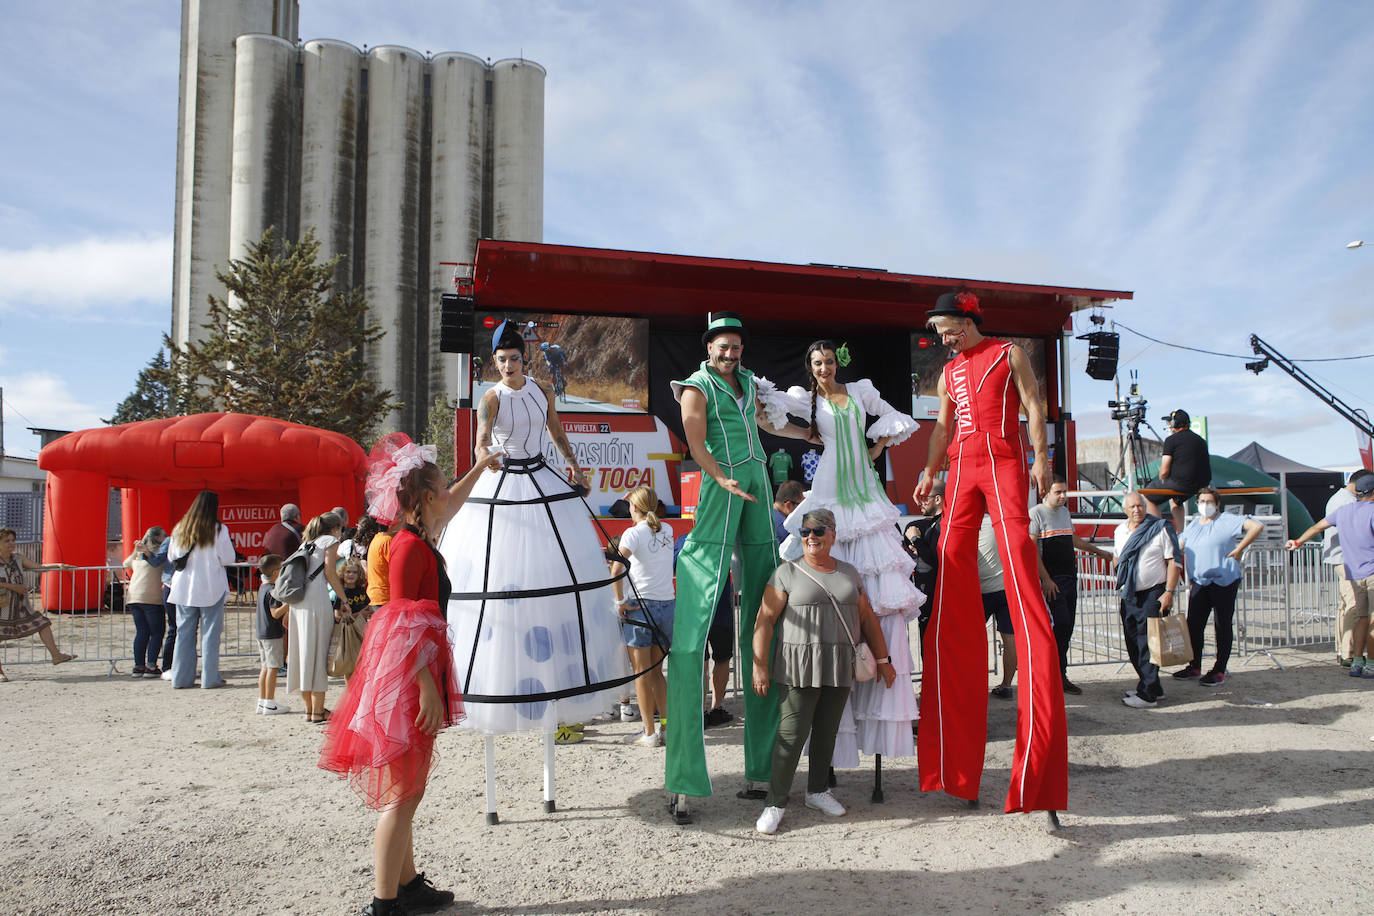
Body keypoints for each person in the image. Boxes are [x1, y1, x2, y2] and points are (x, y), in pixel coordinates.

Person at [320, 434, 496, 916]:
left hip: (416, 675)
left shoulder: (420, 539)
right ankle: (385, 903)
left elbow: (455, 502)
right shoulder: (407, 548)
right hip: (409, 681)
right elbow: (400, 622)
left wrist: (480, 466)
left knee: (410, 789)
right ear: (423, 498)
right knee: (402, 796)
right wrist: (425, 688)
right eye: (442, 484)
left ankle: (408, 884)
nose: (448, 490)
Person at [912, 290, 1068, 816]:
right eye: (937, 329)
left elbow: (1033, 405)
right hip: (962, 466)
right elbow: (941, 426)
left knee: (1018, 554)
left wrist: (1043, 457)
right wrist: (931, 471)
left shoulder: (1009, 353)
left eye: (948, 326)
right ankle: (955, 767)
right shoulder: (949, 373)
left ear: (968, 319)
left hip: (1002, 459)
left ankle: (1030, 626)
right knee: (952, 563)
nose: (942, 336)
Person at [442, 321, 633, 735]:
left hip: (541, 475)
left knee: (556, 566)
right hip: (504, 478)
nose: (508, 365)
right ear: (493, 362)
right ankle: (501, 672)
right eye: (501, 360)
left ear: (523, 359)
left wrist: (576, 469)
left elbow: (557, 432)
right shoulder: (490, 398)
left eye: (513, 358)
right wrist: (484, 456)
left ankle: (559, 680)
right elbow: (480, 439)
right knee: (502, 569)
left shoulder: (541, 391)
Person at [667, 310, 813, 816]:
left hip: (756, 484)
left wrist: (822, 439)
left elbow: (773, 423)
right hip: (721, 484)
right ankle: (683, 774)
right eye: (722, 347)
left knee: (764, 611)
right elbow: (693, 438)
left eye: (736, 347)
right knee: (698, 612)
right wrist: (718, 477)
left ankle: (762, 769)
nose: (730, 355)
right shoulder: (696, 385)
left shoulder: (750, 382)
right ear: (709, 347)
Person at [773, 339, 923, 764]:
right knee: (828, 567)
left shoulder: (860, 390)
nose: (824, 367)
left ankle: (876, 672)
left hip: (864, 487)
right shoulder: (807, 399)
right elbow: (772, 414)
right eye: (817, 362)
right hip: (832, 483)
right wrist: (798, 429)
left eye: (829, 361)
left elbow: (893, 416)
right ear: (810, 366)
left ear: (838, 363)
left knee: (878, 582)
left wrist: (878, 439)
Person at [750, 509, 897, 835]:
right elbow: (765, 620)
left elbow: (868, 618)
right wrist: (759, 665)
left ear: (832, 534)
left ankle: (817, 791)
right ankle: (775, 802)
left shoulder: (849, 573)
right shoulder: (786, 572)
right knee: (791, 736)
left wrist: (884, 661)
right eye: (805, 532)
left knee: (827, 732)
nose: (811, 537)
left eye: (818, 531)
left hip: (838, 666)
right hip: (796, 667)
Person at [1030, 476, 1114, 695]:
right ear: (1045, 493)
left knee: (1066, 628)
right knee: (1059, 626)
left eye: (1065, 492)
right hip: (1052, 581)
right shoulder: (1036, 514)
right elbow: (1031, 549)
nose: (1063, 496)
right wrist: (1046, 579)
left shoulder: (1065, 513)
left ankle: (1060, 674)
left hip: (1070, 577)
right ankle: (1050, 676)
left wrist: (1099, 552)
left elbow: (1072, 539)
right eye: (1058, 492)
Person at [1172, 487, 1264, 686]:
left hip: (1224, 580)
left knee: (1222, 625)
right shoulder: (1194, 524)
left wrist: (1240, 548)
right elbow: (1178, 544)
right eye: (1202, 501)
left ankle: (1219, 669)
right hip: (1200, 581)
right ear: (1197, 504)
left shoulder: (1227, 520)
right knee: (1194, 625)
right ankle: (1194, 665)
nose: (1206, 505)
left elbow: (1256, 527)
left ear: (1217, 504)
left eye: (1210, 501)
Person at [1288, 472, 1374, 677]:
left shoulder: (1344, 511)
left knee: (1362, 618)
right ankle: (1371, 663)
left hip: (1353, 571)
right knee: (1371, 620)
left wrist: (1297, 542)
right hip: (1372, 571)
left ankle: (1357, 662)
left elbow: (1318, 526)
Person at [610, 486, 675, 747]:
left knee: (641, 674)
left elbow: (616, 568)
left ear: (633, 508)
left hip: (641, 607)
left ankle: (648, 732)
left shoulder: (632, 533)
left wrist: (620, 601)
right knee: (658, 673)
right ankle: (666, 728)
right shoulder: (667, 530)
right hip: (667, 604)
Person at [1112, 492, 1182, 708]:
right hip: (1130, 593)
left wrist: (1168, 592)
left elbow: (1174, 561)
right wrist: (1121, 573)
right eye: (1132, 507)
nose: (1137, 510)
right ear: (1125, 510)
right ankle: (1152, 685)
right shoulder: (1120, 531)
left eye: (1140, 506)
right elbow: (1117, 555)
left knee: (1148, 642)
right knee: (1133, 640)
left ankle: (1148, 694)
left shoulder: (1160, 528)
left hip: (1154, 592)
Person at [167, 491, 237, 689]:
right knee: (210, 634)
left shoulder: (181, 527)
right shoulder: (218, 529)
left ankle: (180, 677)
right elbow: (228, 558)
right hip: (210, 586)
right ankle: (210, 677)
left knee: (184, 634)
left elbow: (172, 556)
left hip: (183, 587)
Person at [287, 511, 348, 723]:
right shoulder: (330, 541)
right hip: (317, 599)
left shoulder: (306, 543)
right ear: (335, 528)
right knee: (318, 654)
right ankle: (319, 710)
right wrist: (344, 599)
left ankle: (310, 709)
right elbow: (331, 572)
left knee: (304, 654)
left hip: (299, 601)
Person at [673, 532, 735, 728]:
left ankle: (702, 710)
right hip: (719, 609)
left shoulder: (685, 540)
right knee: (721, 659)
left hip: (696, 611)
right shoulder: (724, 538)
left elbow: (676, 565)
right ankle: (716, 708)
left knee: (703, 662)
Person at [0, 526, 77, 680]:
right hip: (2, 605)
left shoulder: (18, 558)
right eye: (6, 541)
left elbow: (39, 568)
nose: (11, 543)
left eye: (13, 540)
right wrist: (14, 587)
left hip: (20, 606)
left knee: (43, 623)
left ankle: (56, 655)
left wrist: (58, 565)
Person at [1324, 470, 1374, 667]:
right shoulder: (1348, 503)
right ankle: (1351, 654)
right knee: (1356, 608)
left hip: (1346, 559)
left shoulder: (1340, 499)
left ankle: (1345, 651)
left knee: (1347, 606)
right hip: (1349, 560)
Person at [1145, 409, 1211, 535]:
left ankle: (1159, 534)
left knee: (1148, 494)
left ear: (1175, 424)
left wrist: (1162, 478)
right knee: (1176, 500)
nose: (1168, 426)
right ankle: (1181, 532)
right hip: (1202, 483)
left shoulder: (1171, 440)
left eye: (1170, 423)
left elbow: (1163, 471)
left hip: (1182, 483)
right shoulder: (1200, 440)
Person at [979, 516, 1017, 700]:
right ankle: (1007, 685)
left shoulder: (974, 522)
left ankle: (976, 684)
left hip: (982, 590)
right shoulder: (1001, 521)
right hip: (1006, 588)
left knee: (975, 641)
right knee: (1010, 640)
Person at [123, 526, 168, 678]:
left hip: (134, 596)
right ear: (158, 538)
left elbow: (126, 563)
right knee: (157, 632)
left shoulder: (139, 556)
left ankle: (138, 666)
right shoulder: (159, 555)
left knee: (142, 632)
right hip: (152, 598)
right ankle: (151, 665)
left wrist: (136, 550)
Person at [910, 480, 945, 642]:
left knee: (933, 646)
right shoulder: (932, 524)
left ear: (938, 499)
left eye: (924, 497)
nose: (919, 502)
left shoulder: (943, 525)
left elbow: (933, 560)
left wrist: (916, 540)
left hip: (936, 599)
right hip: (928, 597)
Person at [255, 554, 290, 715]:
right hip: (272, 634)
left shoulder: (263, 588)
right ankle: (269, 702)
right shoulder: (273, 591)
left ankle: (263, 701)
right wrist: (288, 604)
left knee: (265, 667)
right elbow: (275, 613)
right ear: (276, 572)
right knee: (273, 668)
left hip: (262, 632)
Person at [772, 479, 805, 547]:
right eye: (801, 505)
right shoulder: (786, 527)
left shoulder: (765, 514)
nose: (804, 509)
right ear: (788, 505)